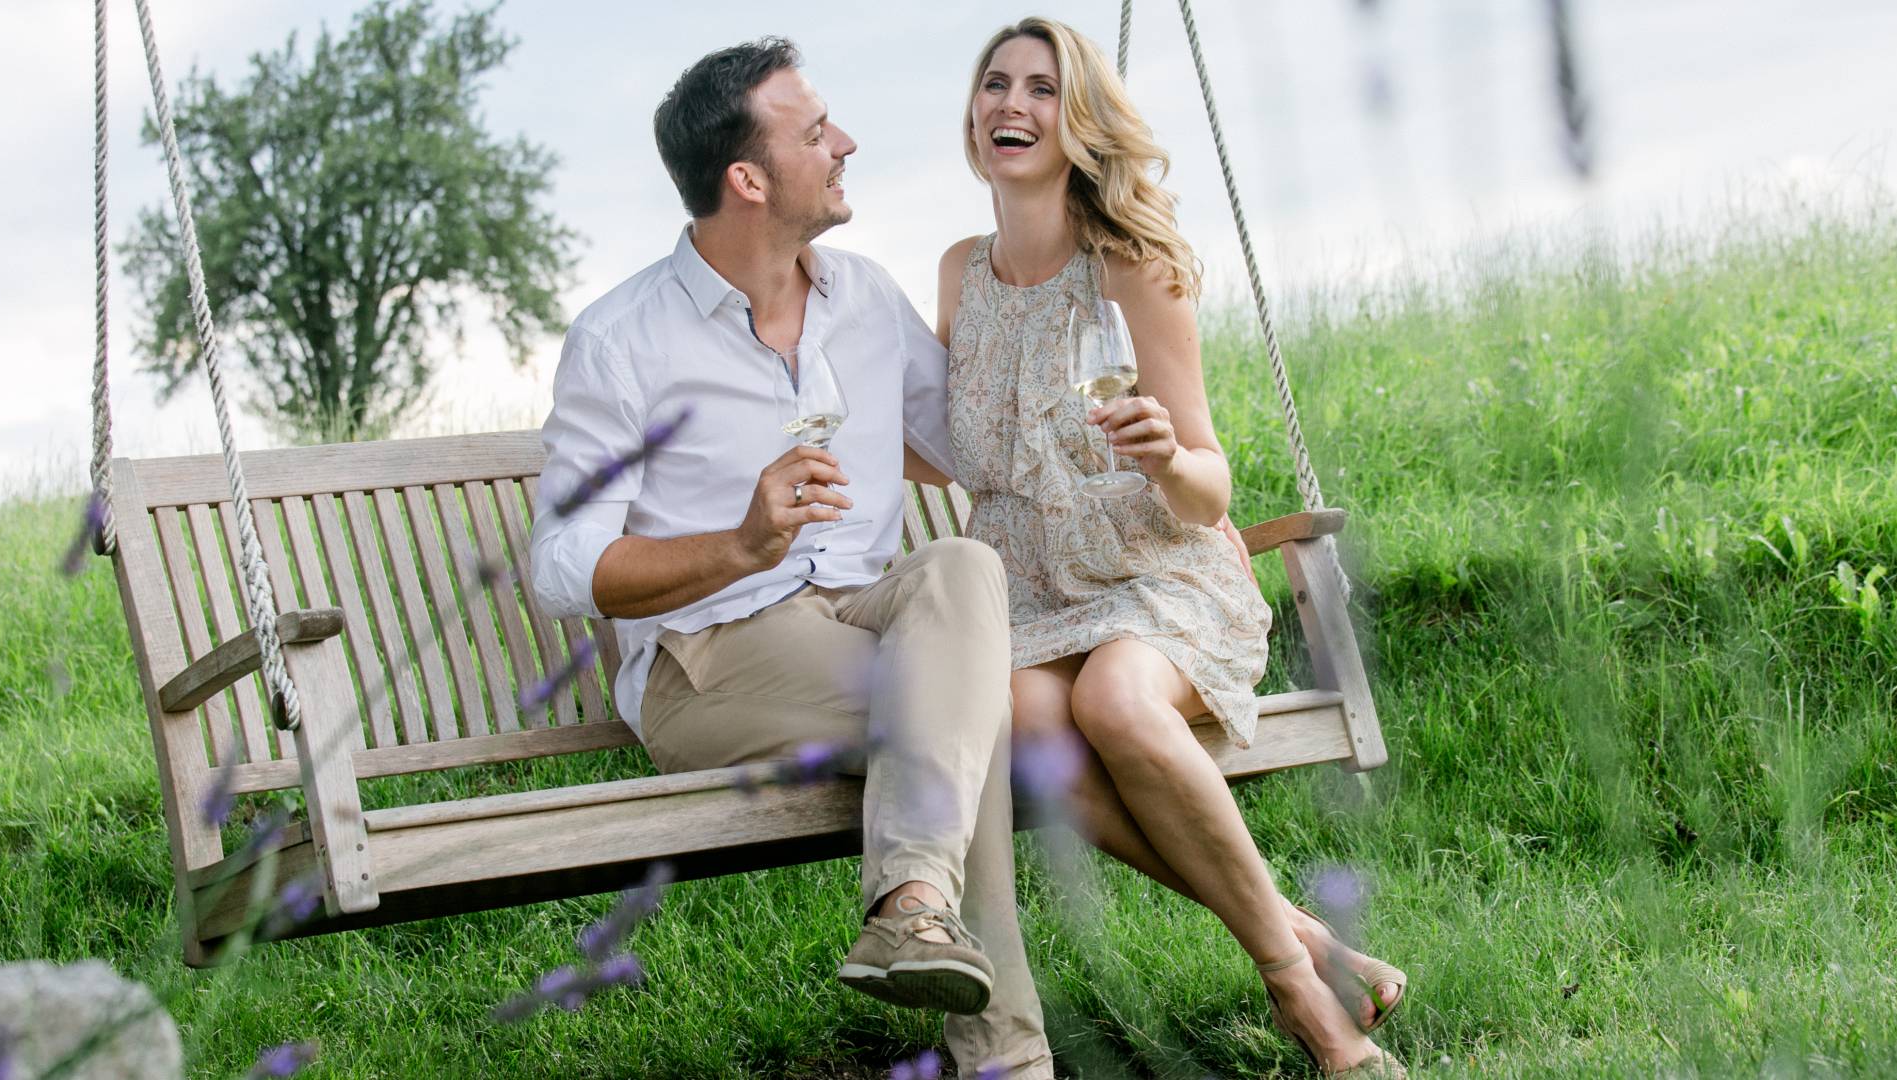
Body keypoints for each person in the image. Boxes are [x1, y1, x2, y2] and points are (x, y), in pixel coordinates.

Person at [528, 38, 1052, 1080]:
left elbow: (977, 450)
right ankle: (1002, 1050)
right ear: (749, 180)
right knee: (960, 711)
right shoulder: (621, 339)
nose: (845, 143)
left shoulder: (860, 298)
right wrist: (741, 544)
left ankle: (917, 916)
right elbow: (558, 562)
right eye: (817, 133)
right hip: (709, 658)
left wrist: (1167, 488)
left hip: (863, 612)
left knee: (960, 571)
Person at [934, 17, 1406, 1078]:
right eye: (995, 84)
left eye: (1042, 89)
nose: (1011, 104)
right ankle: (1311, 939)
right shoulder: (959, 272)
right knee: (1038, 731)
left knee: (1115, 705)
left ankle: (1300, 996)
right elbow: (958, 435)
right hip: (1030, 589)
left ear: (1080, 119)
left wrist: (1160, 457)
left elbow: (1210, 484)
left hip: (1157, 569)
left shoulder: (1133, 267)